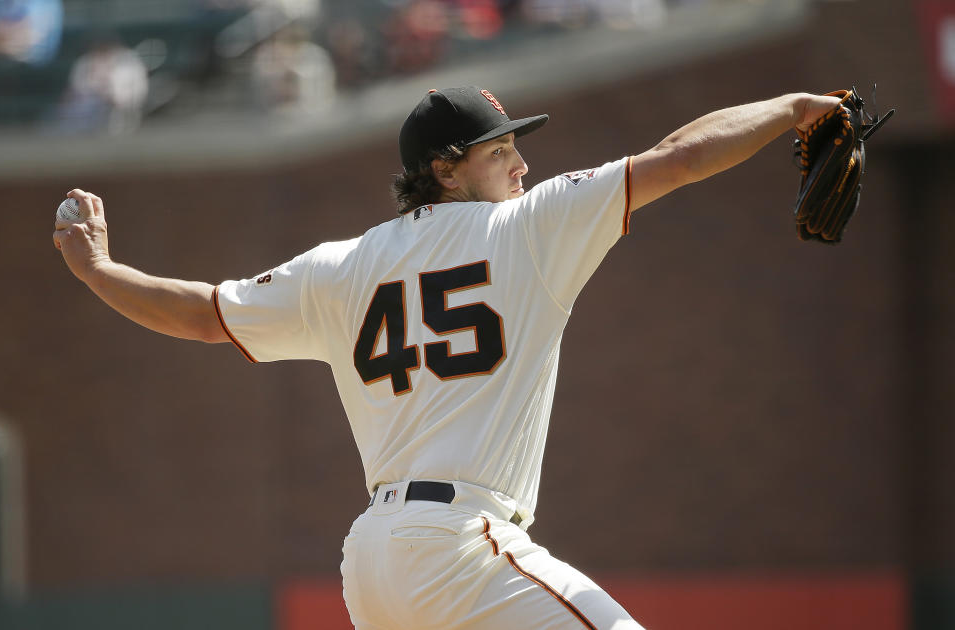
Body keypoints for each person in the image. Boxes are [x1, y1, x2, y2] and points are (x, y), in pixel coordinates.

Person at [53, 85, 841, 629]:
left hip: (371, 562)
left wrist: (96, 270)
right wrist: (790, 108)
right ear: (447, 165)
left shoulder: (337, 265)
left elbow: (199, 315)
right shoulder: (527, 228)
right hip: (459, 543)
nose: (522, 166)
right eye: (503, 152)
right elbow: (678, 154)